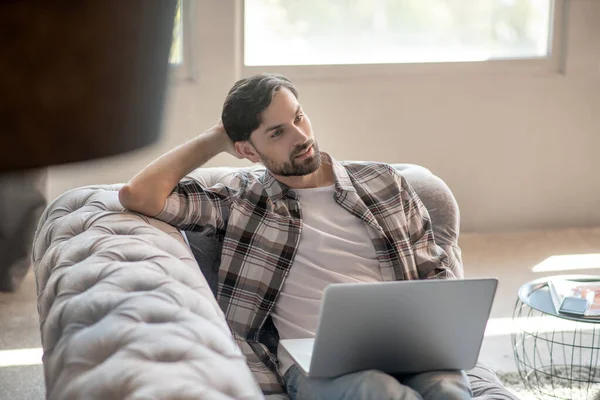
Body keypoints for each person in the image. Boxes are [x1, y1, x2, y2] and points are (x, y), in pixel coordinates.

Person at [119, 73, 471, 400]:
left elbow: (433, 271)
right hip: (315, 364)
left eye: (299, 118)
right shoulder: (242, 200)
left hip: (405, 345)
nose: (300, 137)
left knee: (448, 388)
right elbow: (139, 195)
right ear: (247, 151)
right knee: (375, 390)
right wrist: (215, 137)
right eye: (277, 133)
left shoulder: (384, 181)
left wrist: (440, 336)